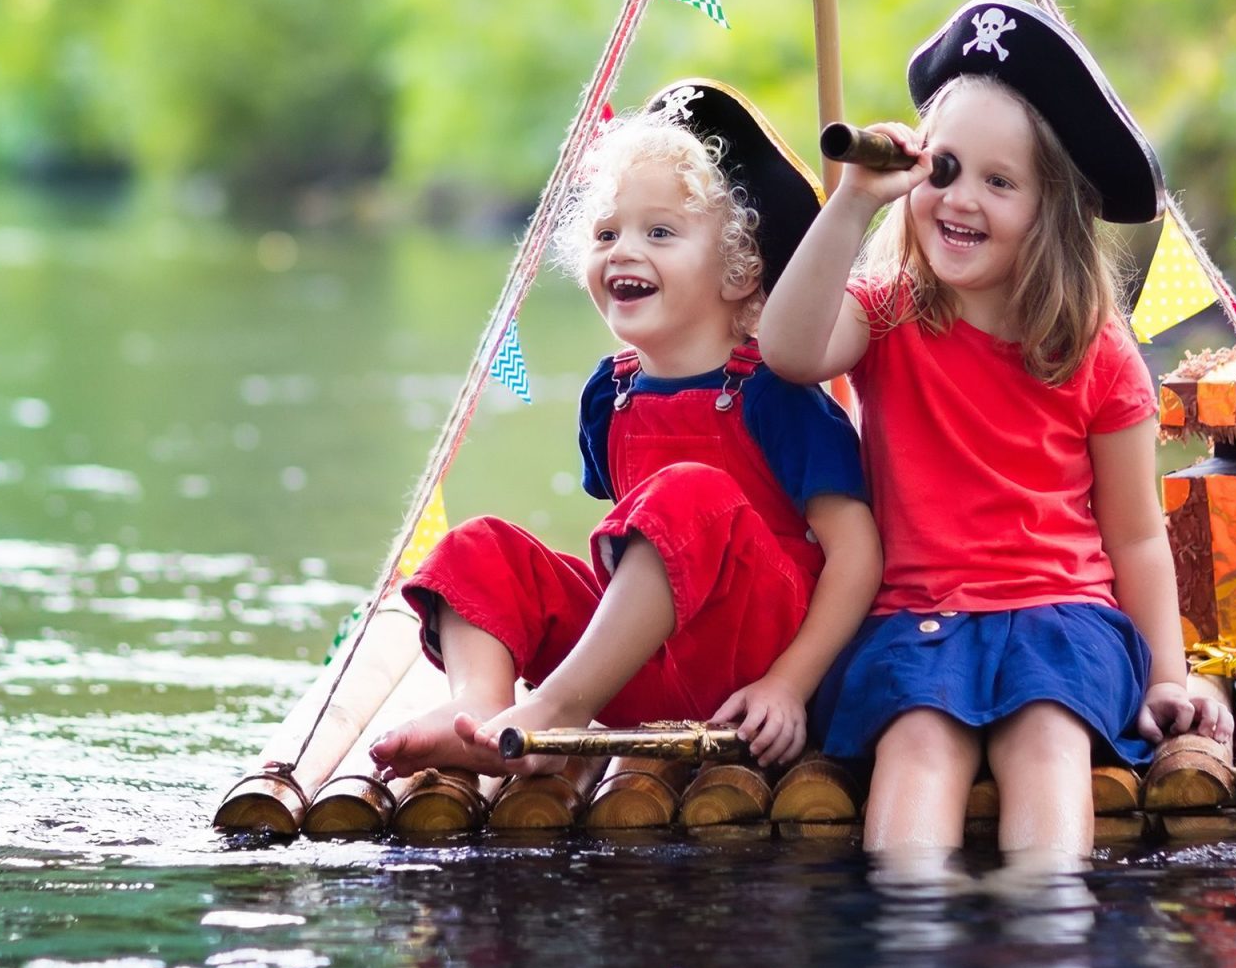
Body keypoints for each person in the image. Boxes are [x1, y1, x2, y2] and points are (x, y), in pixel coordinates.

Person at [758, 0, 1229, 865]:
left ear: (1051, 208)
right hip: (916, 617)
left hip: (1062, 615)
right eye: (943, 169)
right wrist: (853, 203)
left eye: (998, 181)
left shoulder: (1092, 345)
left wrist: (1169, 671)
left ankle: (1044, 926)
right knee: (918, 742)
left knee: (1048, 735)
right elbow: (786, 352)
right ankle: (917, 939)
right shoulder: (888, 308)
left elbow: (1135, 535)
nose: (960, 199)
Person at [369, 80, 880, 777]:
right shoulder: (610, 394)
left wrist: (790, 683)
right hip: (650, 664)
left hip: (753, 660)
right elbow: (636, 567)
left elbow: (857, 558)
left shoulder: (777, 392)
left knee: (686, 495)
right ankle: (482, 716)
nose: (623, 251)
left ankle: (554, 707)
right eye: (607, 233)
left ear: (739, 269)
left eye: (659, 232)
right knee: (478, 547)